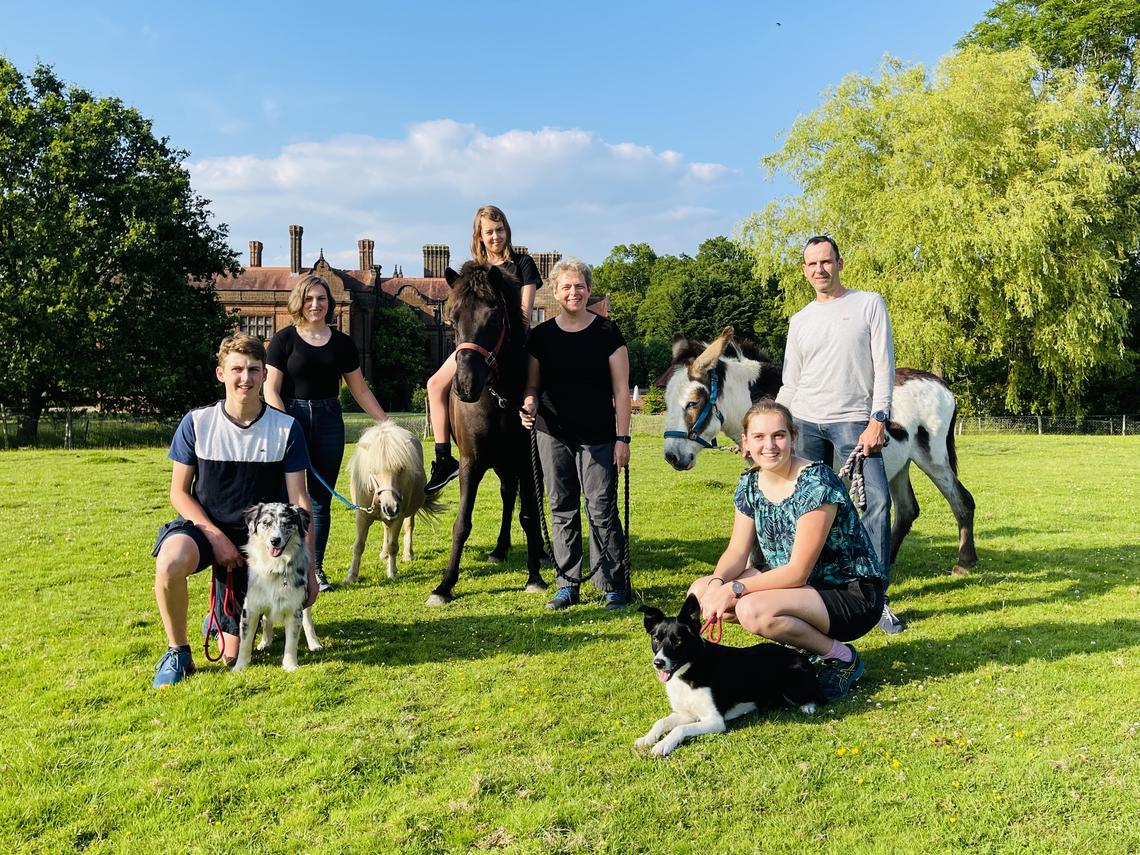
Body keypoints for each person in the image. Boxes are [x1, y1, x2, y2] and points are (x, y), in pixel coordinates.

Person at [690, 399, 886, 701]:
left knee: (752, 610)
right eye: (758, 437)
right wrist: (717, 584)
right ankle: (797, 647)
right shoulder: (750, 483)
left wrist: (734, 589)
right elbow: (736, 551)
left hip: (848, 590)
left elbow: (797, 571)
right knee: (700, 590)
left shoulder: (816, 483)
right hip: (798, 583)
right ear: (745, 442)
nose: (769, 445)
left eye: (778, 435)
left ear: (793, 438)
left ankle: (842, 658)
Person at [151, 333, 317, 688]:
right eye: (237, 369)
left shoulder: (286, 429)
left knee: (233, 657)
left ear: (265, 376)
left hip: (259, 543)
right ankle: (177, 652)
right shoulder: (197, 422)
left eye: (254, 370)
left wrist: (310, 567)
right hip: (204, 528)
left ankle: (220, 621)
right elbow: (179, 493)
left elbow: (299, 500)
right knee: (169, 561)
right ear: (220, 374)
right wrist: (215, 537)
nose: (246, 377)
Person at [775, 235, 904, 634]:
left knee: (877, 504)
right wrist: (773, 425)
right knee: (807, 513)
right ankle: (811, 593)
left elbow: (885, 366)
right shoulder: (799, 321)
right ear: (804, 270)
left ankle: (874, 597)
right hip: (806, 423)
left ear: (839, 263)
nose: (819, 270)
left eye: (826, 262)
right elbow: (790, 382)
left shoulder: (868, 304)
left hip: (854, 421)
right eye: (811, 264)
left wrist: (878, 418)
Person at [520, 257, 631, 610]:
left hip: (598, 437)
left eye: (579, 286)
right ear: (555, 291)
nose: (573, 292)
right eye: (566, 287)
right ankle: (567, 584)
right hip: (552, 434)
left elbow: (621, 390)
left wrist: (623, 438)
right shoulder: (541, 337)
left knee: (601, 508)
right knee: (561, 507)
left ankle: (612, 584)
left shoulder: (607, 332)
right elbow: (532, 387)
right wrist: (529, 406)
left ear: (588, 290)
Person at [264, 273, 388, 591]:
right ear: (299, 302)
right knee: (287, 498)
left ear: (329, 304)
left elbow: (360, 391)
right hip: (290, 418)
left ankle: (314, 570)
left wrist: (385, 423)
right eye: (309, 299)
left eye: (321, 298)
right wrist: (286, 427)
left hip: (330, 419)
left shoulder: (343, 344)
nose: (315, 304)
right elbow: (270, 389)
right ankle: (280, 567)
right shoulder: (284, 340)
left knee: (320, 500)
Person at [424, 205, 542, 493]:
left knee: (541, 382)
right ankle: (443, 458)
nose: (495, 236)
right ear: (479, 235)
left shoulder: (522, 264)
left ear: (507, 231)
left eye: (499, 230)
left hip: (513, 342)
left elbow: (525, 311)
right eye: (488, 231)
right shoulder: (472, 270)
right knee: (435, 383)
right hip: (476, 343)